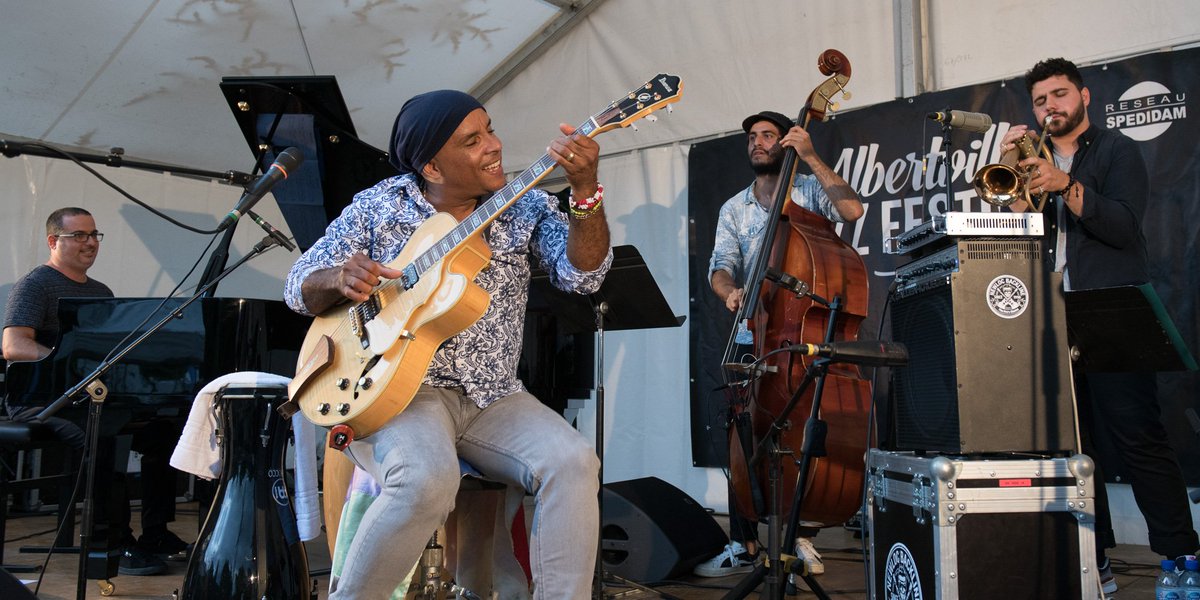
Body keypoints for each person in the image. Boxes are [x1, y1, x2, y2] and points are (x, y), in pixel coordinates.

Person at [284, 90, 611, 599]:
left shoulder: (526, 205)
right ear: (432, 167)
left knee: (573, 462)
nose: (494, 145)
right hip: (396, 390)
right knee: (426, 479)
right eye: (472, 140)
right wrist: (338, 276)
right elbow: (297, 287)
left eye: (490, 129)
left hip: (493, 394)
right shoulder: (380, 206)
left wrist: (585, 191)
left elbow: (582, 277)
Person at [1001, 57, 1199, 595]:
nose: (1051, 107)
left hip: (1110, 309)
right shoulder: (1032, 159)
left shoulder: (1117, 151)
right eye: (1040, 100)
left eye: (1060, 94)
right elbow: (1017, 233)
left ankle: (1181, 558)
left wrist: (1065, 183)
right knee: (1073, 447)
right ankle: (1095, 559)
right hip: (1050, 313)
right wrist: (1014, 181)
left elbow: (1123, 226)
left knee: (1139, 437)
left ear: (1084, 97)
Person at [697, 111, 864, 578]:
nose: (758, 142)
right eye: (752, 136)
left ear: (785, 141)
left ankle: (799, 535)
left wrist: (811, 156)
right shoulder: (734, 207)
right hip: (753, 330)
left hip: (801, 333)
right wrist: (729, 291)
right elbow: (719, 266)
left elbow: (852, 211)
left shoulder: (808, 190)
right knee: (742, 428)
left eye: (768, 135)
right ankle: (743, 542)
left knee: (802, 429)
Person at [2, 207, 190, 576]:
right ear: (53, 241)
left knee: (165, 433)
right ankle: (113, 543)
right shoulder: (35, 285)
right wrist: (71, 365)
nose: (90, 243)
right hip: (41, 402)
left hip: (91, 399)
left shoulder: (101, 292)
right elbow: (13, 346)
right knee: (103, 436)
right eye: (79, 235)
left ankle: (156, 534)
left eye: (94, 235)